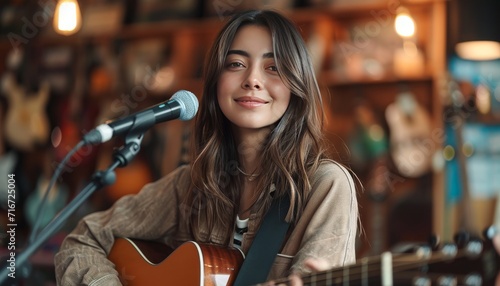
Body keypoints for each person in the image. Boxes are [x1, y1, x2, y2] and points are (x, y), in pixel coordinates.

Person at [54, 9, 359, 285]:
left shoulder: (326, 187)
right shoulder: (190, 185)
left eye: (274, 67)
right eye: (236, 64)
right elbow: (83, 239)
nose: (252, 79)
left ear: (297, 85)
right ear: (216, 82)